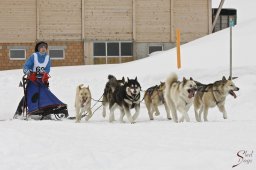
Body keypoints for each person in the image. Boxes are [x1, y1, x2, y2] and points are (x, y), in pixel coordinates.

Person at [14, 41, 51, 118]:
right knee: (28, 95)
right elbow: (26, 67)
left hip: (42, 81)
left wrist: (44, 73)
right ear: (38, 49)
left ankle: (47, 113)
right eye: (41, 47)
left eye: (45, 47)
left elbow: (47, 69)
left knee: (46, 94)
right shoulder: (34, 56)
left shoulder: (47, 58)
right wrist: (28, 72)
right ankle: (18, 112)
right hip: (33, 80)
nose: (43, 49)